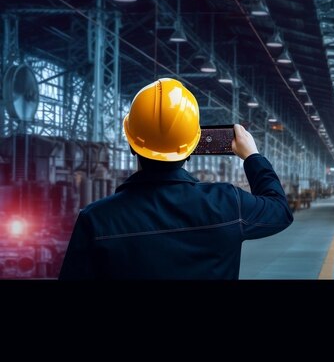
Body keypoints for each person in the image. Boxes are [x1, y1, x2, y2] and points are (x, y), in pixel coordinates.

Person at [58, 78, 293, 279]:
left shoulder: (96, 220)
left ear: (132, 144)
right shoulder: (228, 204)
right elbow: (280, 210)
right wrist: (252, 156)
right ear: (190, 149)